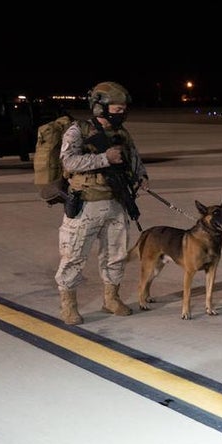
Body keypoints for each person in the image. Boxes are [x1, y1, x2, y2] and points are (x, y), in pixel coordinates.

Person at [54, 81, 149, 325]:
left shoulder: (122, 133)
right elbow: (68, 162)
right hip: (86, 204)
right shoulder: (78, 130)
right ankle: (68, 306)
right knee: (74, 256)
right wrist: (104, 158)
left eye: (123, 109)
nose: (122, 114)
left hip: (116, 204)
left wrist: (141, 176)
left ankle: (111, 299)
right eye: (117, 109)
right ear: (100, 107)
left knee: (116, 255)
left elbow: (134, 158)